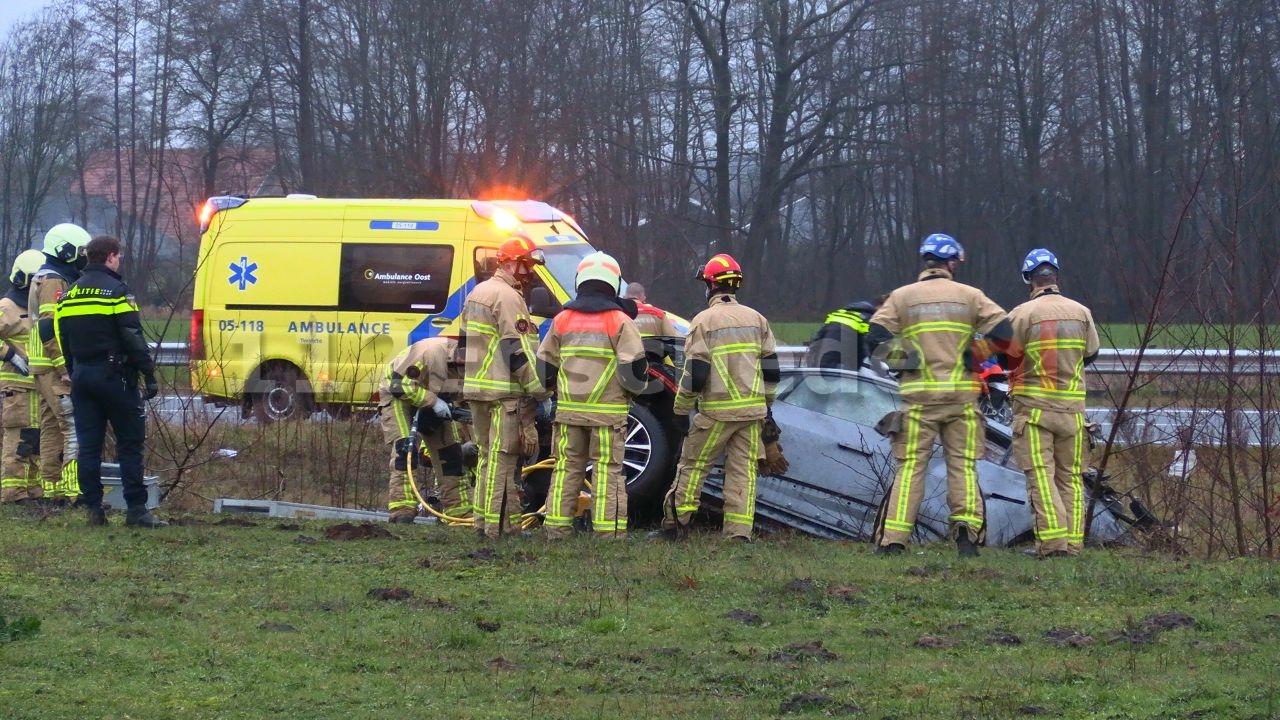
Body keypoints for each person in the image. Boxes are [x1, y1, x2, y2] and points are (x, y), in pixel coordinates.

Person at [865, 233, 1010, 557]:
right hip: (961, 398)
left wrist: (907, 362)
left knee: (910, 469)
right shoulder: (970, 296)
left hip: (918, 400)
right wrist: (974, 356)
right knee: (962, 467)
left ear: (926, 261)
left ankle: (893, 542)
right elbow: (1005, 333)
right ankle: (966, 539)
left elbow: (874, 335)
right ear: (952, 262)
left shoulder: (902, 297)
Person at [652, 253, 779, 541]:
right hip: (751, 414)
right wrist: (766, 403)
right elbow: (771, 369)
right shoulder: (757, 319)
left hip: (716, 414)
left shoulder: (704, 320)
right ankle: (738, 534)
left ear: (710, 285)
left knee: (693, 467)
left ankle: (675, 526)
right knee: (743, 474)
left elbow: (696, 371)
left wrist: (681, 409)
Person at [54, 235, 164, 528]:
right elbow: (132, 336)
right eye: (119, 257)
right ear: (111, 256)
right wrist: (148, 373)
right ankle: (136, 510)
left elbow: (63, 340)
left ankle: (94, 509)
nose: (120, 262)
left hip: (83, 378)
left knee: (89, 446)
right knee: (129, 442)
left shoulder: (69, 295)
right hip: (115, 377)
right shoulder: (117, 292)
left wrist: (74, 370)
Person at [536, 251, 647, 538]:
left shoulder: (562, 319)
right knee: (608, 473)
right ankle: (607, 534)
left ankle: (556, 530)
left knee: (566, 470)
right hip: (608, 416)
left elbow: (545, 366)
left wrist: (551, 392)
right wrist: (634, 392)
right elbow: (633, 371)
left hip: (570, 413)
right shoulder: (620, 321)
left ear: (579, 280)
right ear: (614, 282)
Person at [1005, 248, 1100, 558]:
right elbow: (1091, 354)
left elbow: (1005, 356)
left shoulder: (1021, 314)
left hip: (1034, 412)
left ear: (1029, 280)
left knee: (1041, 478)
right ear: (1055, 277)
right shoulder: (1081, 312)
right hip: (1073, 413)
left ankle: (1052, 544)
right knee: (1071, 479)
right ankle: (1073, 545)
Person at [461, 235, 551, 538]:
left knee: (486, 458)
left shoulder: (477, 293)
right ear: (512, 262)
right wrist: (540, 390)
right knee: (502, 460)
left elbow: (466, 344)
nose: (529, 274)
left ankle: (486, 523)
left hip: (477, 390)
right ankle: (497, 529)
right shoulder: (508, 297)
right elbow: (516, 350)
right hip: (503, 393)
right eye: (527, 266)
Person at [28, 223, 90, 506]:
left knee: (51, 428)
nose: (83, 258)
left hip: (43, 368)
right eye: (80, 252)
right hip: (54, 369)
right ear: (65, 251)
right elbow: (48, 327)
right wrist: (65, 368)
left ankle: (51, 491)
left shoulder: (46, 276)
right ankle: (73, 491)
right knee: (72, 427)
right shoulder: (54, 280)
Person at [378, 335, 468, 523]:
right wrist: (433, 401)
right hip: (398, 395)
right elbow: (399, 385)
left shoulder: (475, 364)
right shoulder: (429, 352)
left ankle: (459, 512)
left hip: (435, 398)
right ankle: (402, 509)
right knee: (405, 450)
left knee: (450, 455)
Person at [0, 251, 41, 505]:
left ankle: (34, 492)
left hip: (37, 388)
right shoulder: (6, 308)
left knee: (35, 441)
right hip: (16, 388)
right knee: (16, 441)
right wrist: (10, 355)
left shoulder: (38, 309)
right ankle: (13, 494)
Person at [804, 297, 883, 371]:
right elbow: (866, 347)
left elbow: (817, 341)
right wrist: (879, 370)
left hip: (823, 363)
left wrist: (812, 364)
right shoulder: (867, 319)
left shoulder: (838, 314)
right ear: (878, 307)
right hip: (842, 366)